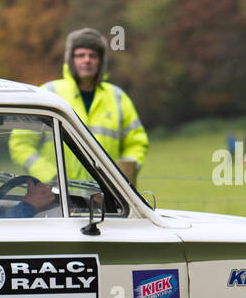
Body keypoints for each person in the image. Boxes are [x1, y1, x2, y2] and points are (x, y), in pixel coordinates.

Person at [9, 27, 149, 187]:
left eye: (93, 55)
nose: (87, 60)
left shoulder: (117, 97)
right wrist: (52, 177)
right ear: (70, 59)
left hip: (107, 196)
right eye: (80, 55)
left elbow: (136, 144)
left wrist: (122, 178)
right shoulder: (49, 93)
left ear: (101, 61)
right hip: (56, 196)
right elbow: (20, 144)